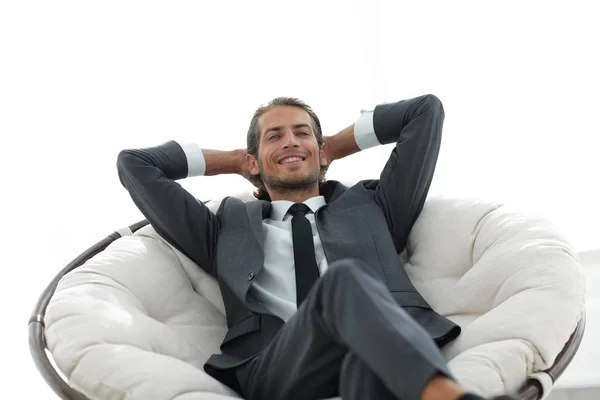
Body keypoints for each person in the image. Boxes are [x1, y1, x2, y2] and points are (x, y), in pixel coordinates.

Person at [117, 94, 515, 400]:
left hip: (374, 352)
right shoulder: (223, 229)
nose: (290, 141)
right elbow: (135, 163)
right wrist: (239, 160)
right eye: (275, 136)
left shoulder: (375, 206)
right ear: (255, 161)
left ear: (322, 150)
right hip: (277, 366)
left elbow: (424, 112)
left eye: (302, 133)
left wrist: (330, 148)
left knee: (367, 369)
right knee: (342, 280)